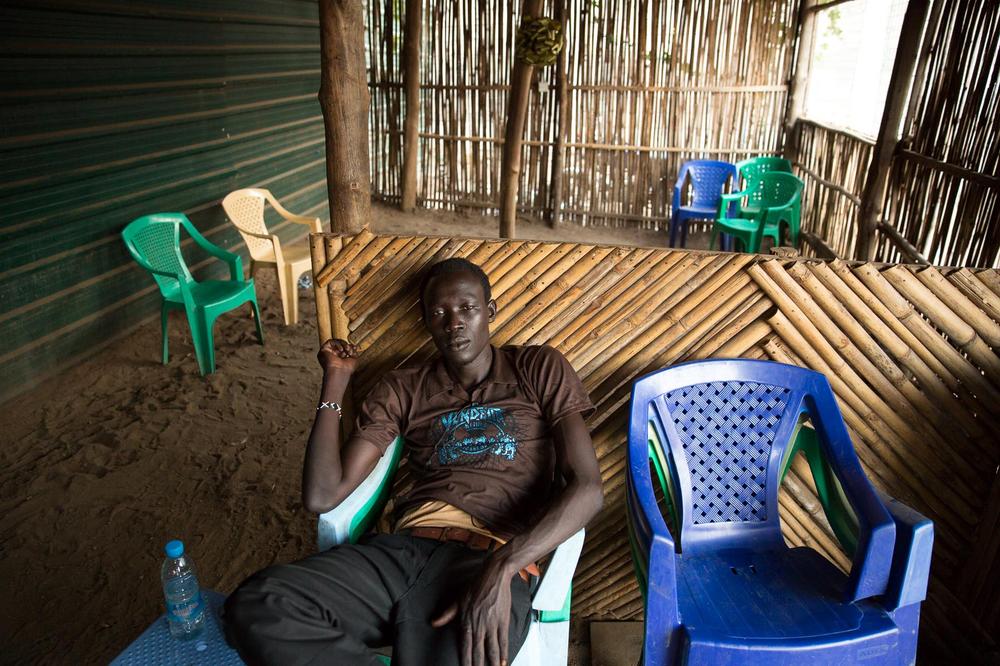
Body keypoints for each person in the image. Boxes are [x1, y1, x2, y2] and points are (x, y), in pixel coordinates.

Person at [224, 257, 604, 666]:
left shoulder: (537, 368)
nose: (454, 323)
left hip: (490, 560)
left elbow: (588, 488)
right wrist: (335, 379)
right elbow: (321, 495)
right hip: (403, 553)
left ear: (490, 311)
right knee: (260, 604)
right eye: (439, 313)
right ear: (427, 322)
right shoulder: (404, 388)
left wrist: (504, 567)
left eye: (467, 308)